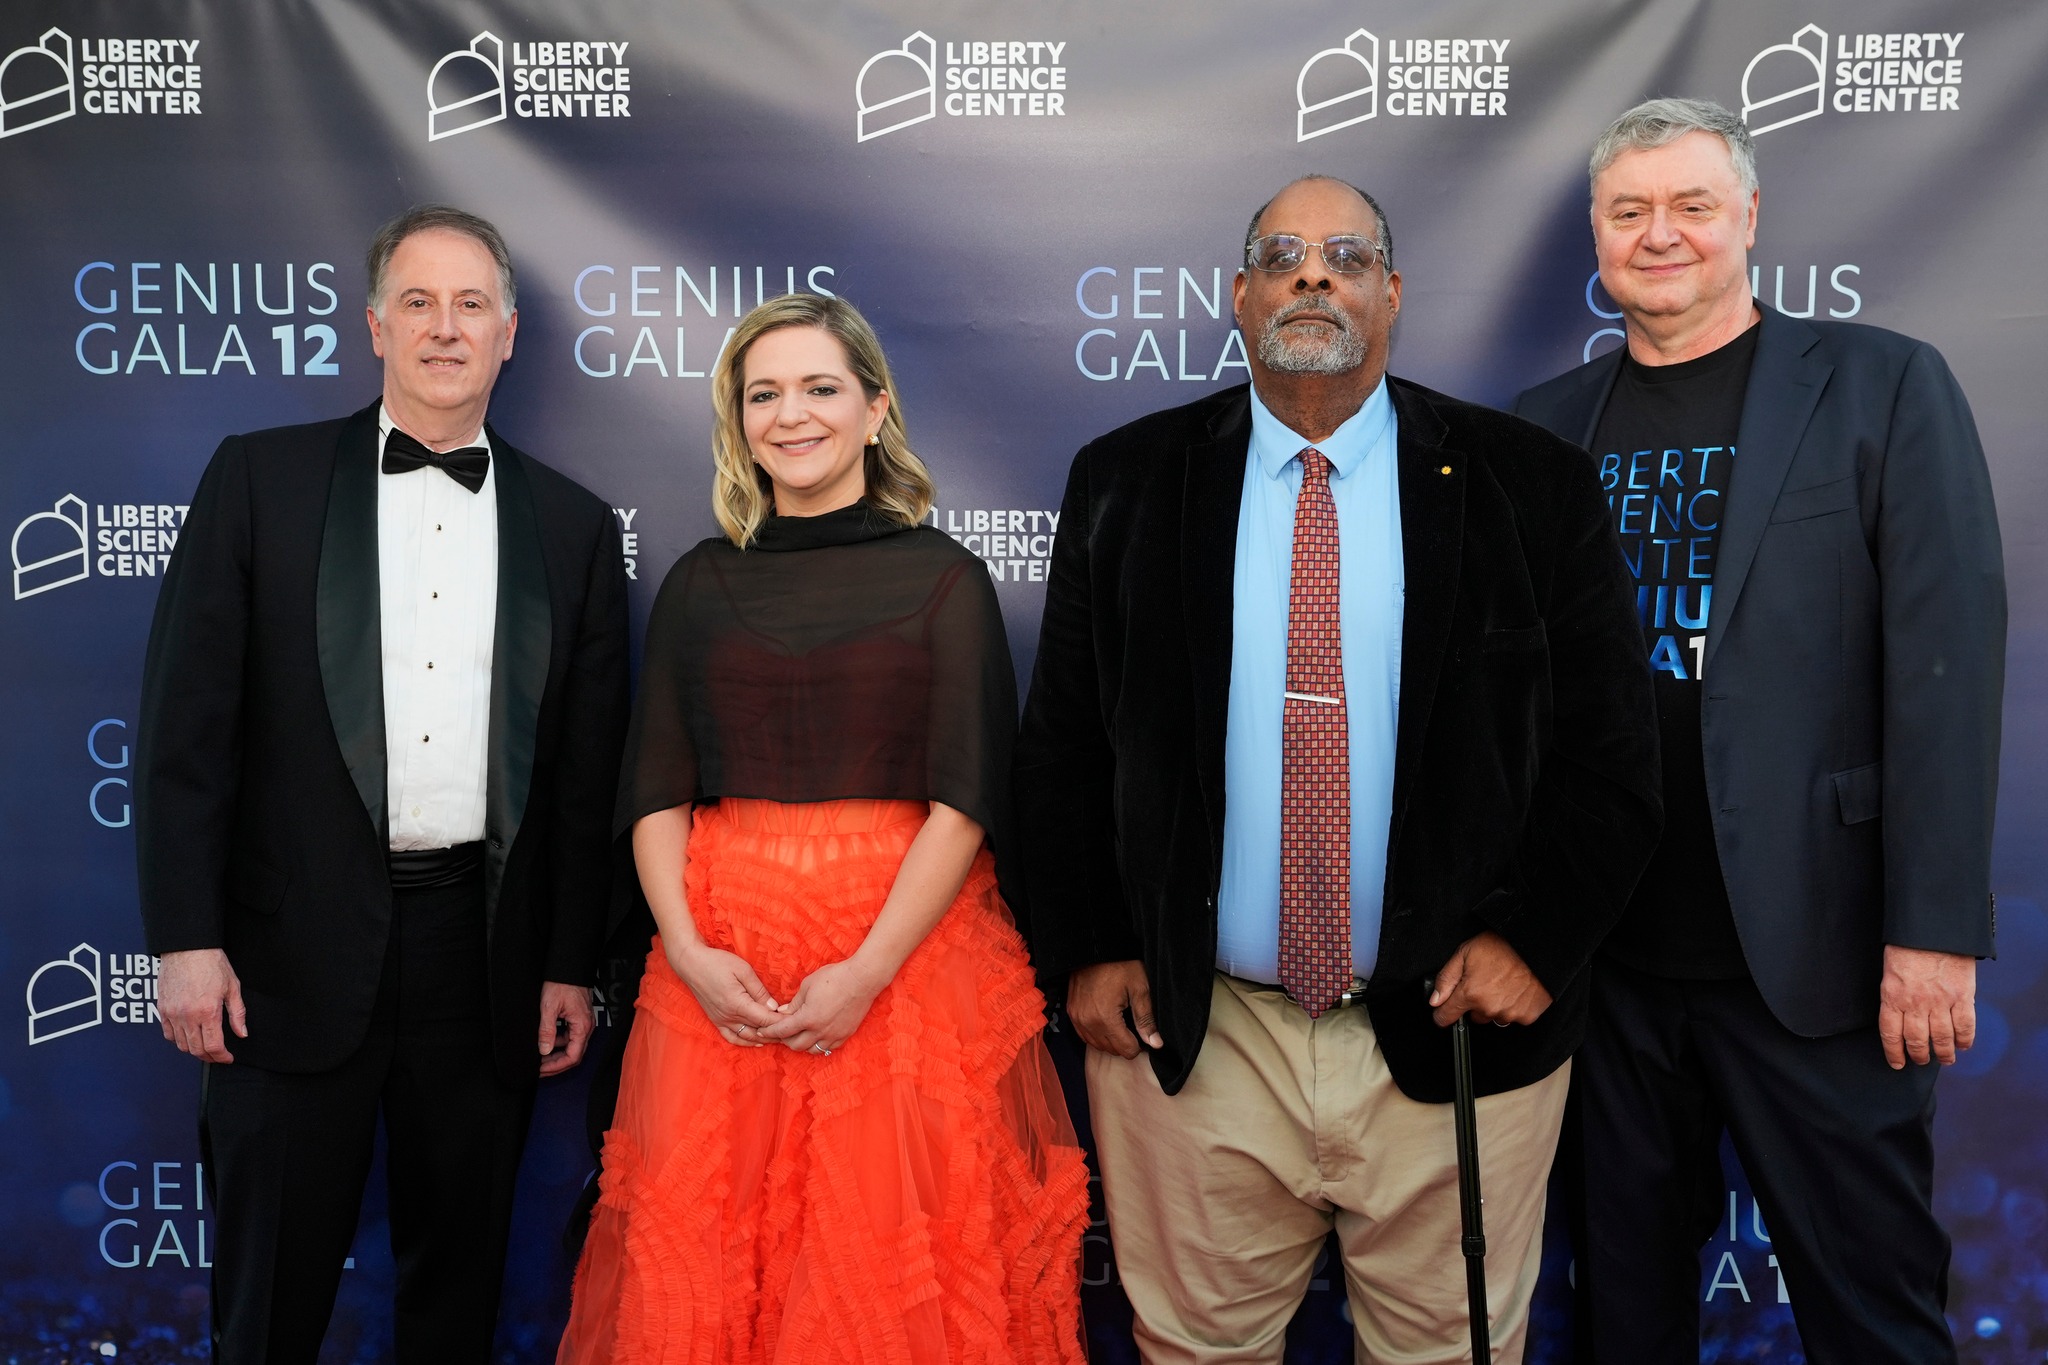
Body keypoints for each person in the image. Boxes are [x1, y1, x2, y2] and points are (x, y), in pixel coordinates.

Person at [1014, 175, 1663, 1364]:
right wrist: (1091, 945)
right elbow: (1060, 745)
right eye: (1283, 254)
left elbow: (1611, 756)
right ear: (1238, 293)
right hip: (1200, 1038)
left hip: (1456, 1035)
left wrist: (1535, 937)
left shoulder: (1528, 485)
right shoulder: (1125, 481)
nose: (1313, 274)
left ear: (1391, 294)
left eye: (1345, 256)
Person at [1514, 98, 2005, 1364]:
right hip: (1606, 969)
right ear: (1595, 233)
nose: (1658, 235)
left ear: (1747, 218)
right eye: (1629, 212)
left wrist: (1932, 933)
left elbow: (1944, 671)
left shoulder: (1880, 384)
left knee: (1872, 1313)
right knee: (1624, 1317)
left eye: (1688, 205)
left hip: (1823, 962)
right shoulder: (1541, 426)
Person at [135, 205, 630, 1364]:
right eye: (418, 302)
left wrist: (567, 959)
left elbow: (578, 777)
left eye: (470, 307)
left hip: (484, 959)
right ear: (373, 326)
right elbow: (184, 733)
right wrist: (184, 940)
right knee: (267, 1301)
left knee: (455, 1295)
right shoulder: (262, 479)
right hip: (278, 958)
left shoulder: (570, 525)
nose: (444, 329)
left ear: (509, 334)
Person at [556, 293, 1088, 1365]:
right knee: (712, 1272)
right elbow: (655, 790)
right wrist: (689, 952)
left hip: (904, 972)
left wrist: (865, 972)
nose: (789, 416)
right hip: (721, 974)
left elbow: (964, 800)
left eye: (818, 388)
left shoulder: (944, 579)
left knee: (884, 1280)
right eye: (763, 394)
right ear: (736, 420)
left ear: (873, 408)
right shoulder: (701, 583)